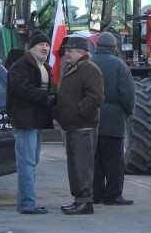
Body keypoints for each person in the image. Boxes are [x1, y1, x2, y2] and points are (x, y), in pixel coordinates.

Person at [6, 31, 56, 215]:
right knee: (26, 164)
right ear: (31, 47)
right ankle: (27, 204)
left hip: (36, 122)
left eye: (47, 45)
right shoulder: (21, 65)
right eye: (41, 45)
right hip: (25, 122)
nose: (45, 48)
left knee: (31, 162)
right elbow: (22, 89)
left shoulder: (42, 66)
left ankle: (27, 202)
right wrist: (45, 98)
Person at [55, 35, 104, 215]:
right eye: (67, 50)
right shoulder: (73, 68)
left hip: (83, 126)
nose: (67, 53)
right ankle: (78, 200)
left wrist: (78, 111)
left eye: (70, 50)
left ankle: (85, 202)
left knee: (83, 166)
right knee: (75, 166)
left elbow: (96, 96)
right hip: (71, 126)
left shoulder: (89, 69)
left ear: (81, 52)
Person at [91, 32, 135, 206]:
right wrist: (127, 112)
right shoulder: (120, 65)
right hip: (114, 120)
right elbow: (127, 94)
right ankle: (113, 195)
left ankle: (96, 194)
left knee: (96, 160)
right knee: (114, 161)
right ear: (114, 47)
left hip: (92, 118)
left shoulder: (89, 63)